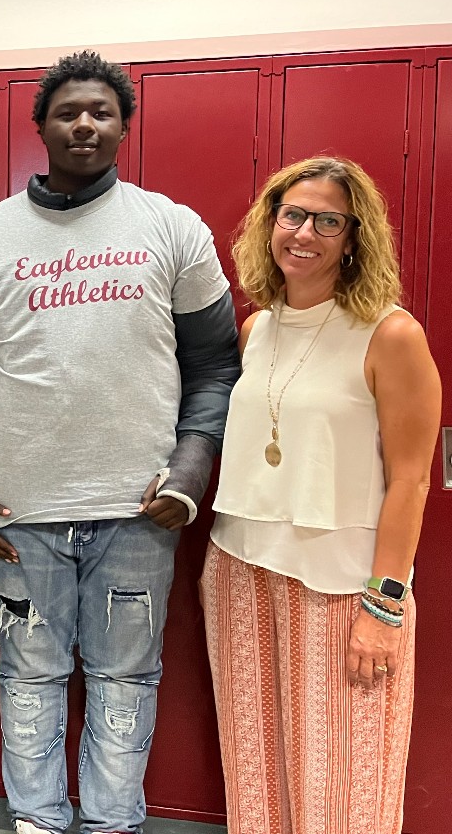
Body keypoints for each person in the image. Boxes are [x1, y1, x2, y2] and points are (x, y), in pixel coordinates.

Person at [0, 50, 240, 834]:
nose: (84, 124)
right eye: (68, 111)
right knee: (28, 676)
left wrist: (190, 471)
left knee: (127, 677)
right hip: (15, 512)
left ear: (123, 127)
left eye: (102, 112)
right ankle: (36, 820)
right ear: (39, 126)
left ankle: (112, 824)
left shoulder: (171, 227)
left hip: (140, 509)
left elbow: (214, 367)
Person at [201, 157, 440, 834]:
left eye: (328, 220)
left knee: (347, 785)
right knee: (256, 771)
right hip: (240, 573)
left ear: (353, 236)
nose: (305, 232)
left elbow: (412, 479)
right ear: (270, 223)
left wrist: (384, 606)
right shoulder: (257, 329)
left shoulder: (391, 335)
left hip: (341, 588)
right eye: (293, 214)